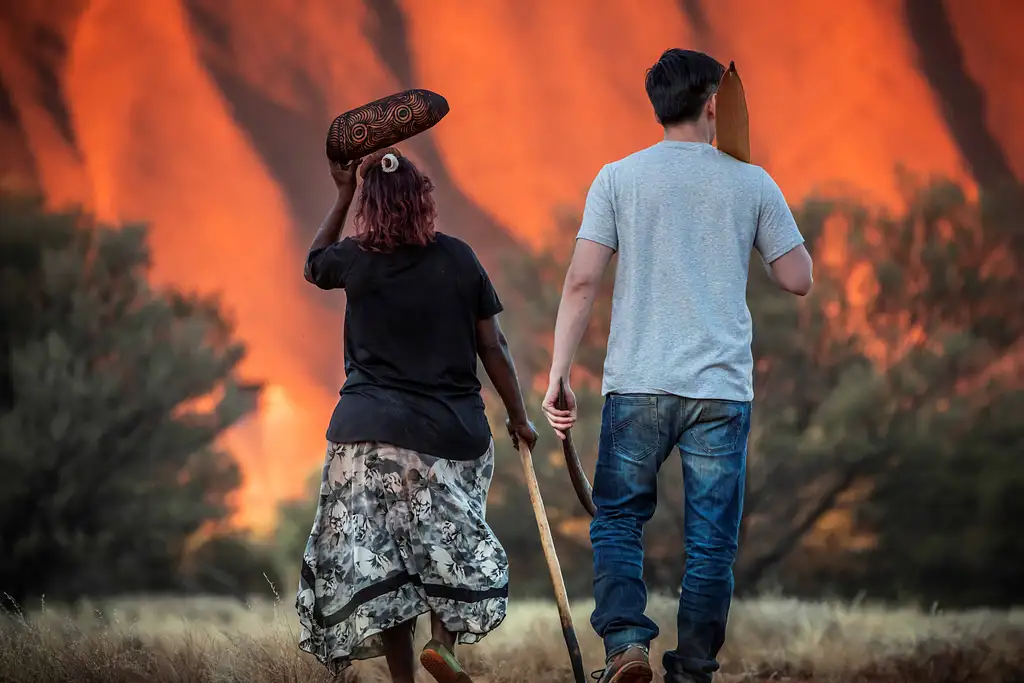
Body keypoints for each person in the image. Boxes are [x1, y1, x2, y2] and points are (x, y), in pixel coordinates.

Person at [540, 49, 814, 683]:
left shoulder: (618, 178)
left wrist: (558, 372)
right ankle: (692, 671)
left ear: (658, 106)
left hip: (637, 384)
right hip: (719, 393)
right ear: (713, 104)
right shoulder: (752, 182)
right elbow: (798, 279)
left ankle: (627, 647)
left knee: (616, 520)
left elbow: (582, 281)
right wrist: (751, 206)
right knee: (710, 544)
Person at [297, 146, 538, 683]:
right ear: (422, 200)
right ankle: (443, 644)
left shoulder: (355, 258)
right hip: (446, 437)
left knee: (385, 566)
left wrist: (342, 192)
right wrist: (519, 416)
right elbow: (492, 345)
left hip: (363, 440)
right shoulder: (458, 258)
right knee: (450, 546)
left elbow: (315, 265)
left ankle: (406, 679)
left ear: (370, 205)